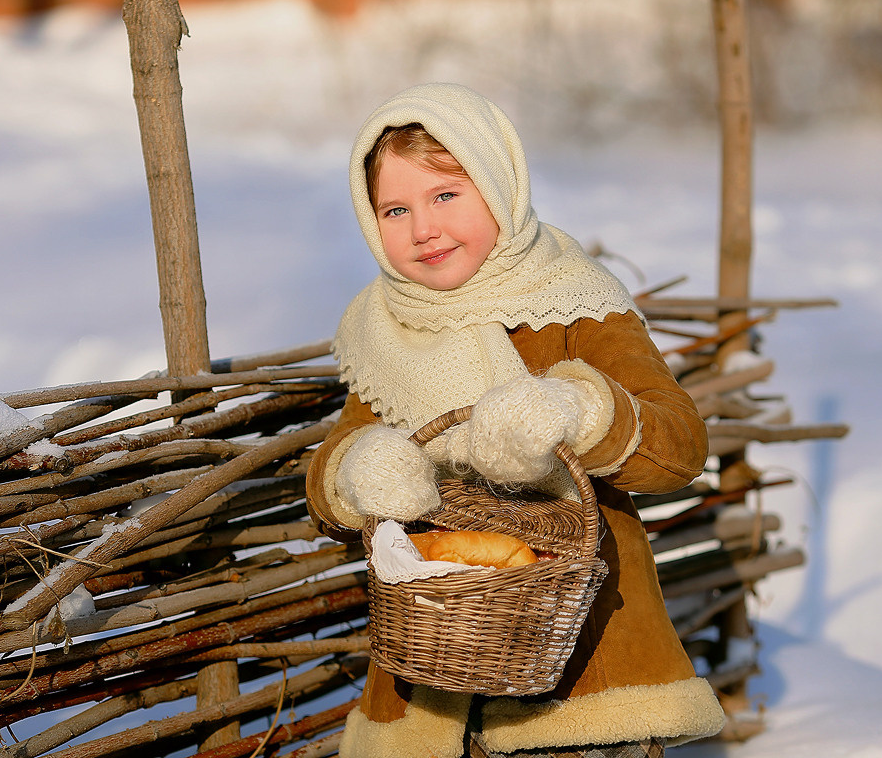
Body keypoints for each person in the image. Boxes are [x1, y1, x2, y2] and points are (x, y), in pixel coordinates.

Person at [305, 83, 726, 758]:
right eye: (395, 209)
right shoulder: (381, 326)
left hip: (584, 668)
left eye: (447, 195)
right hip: (429, 679)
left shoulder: (576, 303)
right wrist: (357, 473)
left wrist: (579, 410)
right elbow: (331, 471)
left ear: (499, 185)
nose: (423, 229)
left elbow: (680, 447)